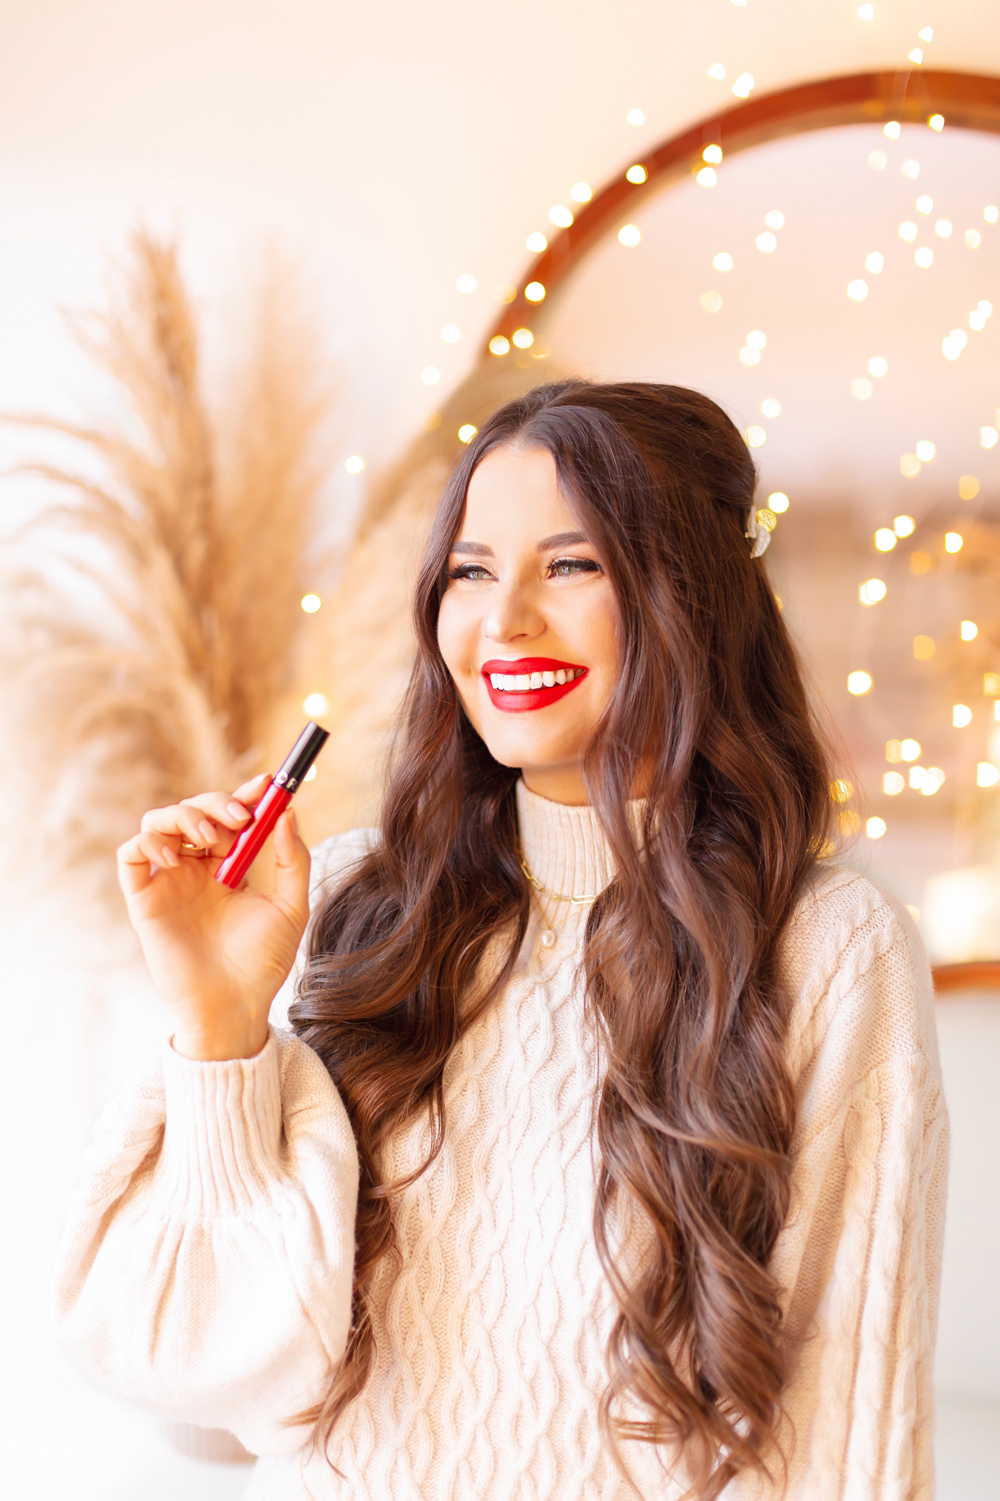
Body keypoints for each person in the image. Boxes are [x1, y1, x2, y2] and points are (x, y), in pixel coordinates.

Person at [54, 383, 948, 1500]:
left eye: (571, 565)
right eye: (471, 571)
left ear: (695, 596)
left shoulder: (826, 951)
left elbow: (843, 1445)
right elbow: (204, 1405)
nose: (505, 619)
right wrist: (221, 1028)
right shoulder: (342, 908)